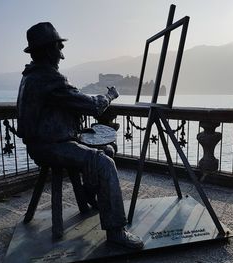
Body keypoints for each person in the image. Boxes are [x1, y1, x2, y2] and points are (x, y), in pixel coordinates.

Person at [16, 22, 143, 249]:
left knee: (107, 150)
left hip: (43, 143)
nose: (61, 56)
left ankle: (92, 196)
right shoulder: (49, 79)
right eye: (58, 48)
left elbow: (60, 104)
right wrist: (110, 95)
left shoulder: (30, 76)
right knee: (104, 164)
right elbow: (92, 106)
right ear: (48, 50)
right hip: (50, 146)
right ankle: (116, 231)